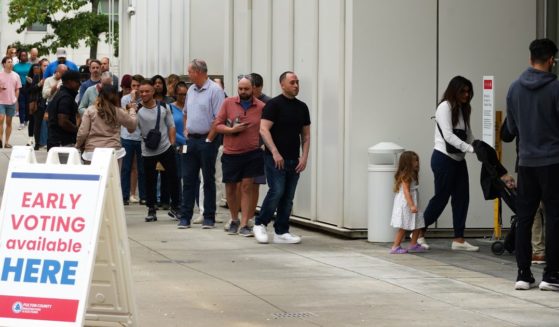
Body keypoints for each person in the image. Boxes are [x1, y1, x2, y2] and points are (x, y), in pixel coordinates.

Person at [506, 38, 559, 291]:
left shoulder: (514, 89)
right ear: (551, 60)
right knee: (554, 217)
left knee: (525, 218)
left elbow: (511, 128)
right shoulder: (556, 88)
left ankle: (523, 274)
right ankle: (551, 275)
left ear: (530, 59)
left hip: (525, 162)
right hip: (553, 161)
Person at [419, 76, 478, 252]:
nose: (467, 95)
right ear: (455, 91)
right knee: (441, 198)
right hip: (443, 159)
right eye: (463, 91)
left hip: (459, 160)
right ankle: (419, 232)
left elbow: (469, 134)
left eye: (469, 92)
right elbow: (448, 136)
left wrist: (479, 147)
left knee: (462, 198)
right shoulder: (444, 107)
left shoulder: (463, 109)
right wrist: (470, 149)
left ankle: (459, 239)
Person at [253, 71, 311, 244]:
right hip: (274, 158)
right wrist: (275, 152)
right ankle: (260, 223)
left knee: (288, 195)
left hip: (294, 159)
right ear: (282, 84)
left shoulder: (302, 107)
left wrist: (304, 157)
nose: (296, 85)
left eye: (297, 82)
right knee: (277, 190)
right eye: (292, 82)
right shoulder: (273, 105)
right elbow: (264, 129)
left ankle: (281, 231)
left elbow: (306, 136)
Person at [215, 75, 265, 236]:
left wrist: (262, 144)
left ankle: (244, 223)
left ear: (254, 89)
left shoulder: (261, 107)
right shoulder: (228, 103)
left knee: (246, 187)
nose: (243, 91)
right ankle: (234, 219)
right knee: (230, 188)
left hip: (252, 153)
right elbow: (217, 125)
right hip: (231, 152)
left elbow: (268, 127)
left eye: (246, 89)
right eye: (240, 88)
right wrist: (232, 130)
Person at [178, 59, 225, 229]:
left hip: (207, 140)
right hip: (191, 140)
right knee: (188, 179)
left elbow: (218, 119)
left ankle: (209, 217)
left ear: (198, 72)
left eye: (190, 71)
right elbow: (185, 113)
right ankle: (185, 217)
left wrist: (209, 139)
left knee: (208, 179)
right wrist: (186, 130)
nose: (188, 75)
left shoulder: (215, 90)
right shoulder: (191, 89)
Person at [136, 80, 180, 222]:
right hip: (147, 150)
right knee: (150, 181)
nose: (144, 94)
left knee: (173, 178)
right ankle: (151, 209)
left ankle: (175, 207)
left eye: (147, 91)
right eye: (141, 91)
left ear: (153, 92)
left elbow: (171, 126)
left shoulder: (164, 107)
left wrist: (172, 144)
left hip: (166, 148)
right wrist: (130, 109)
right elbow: (130, 127)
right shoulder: (137, 109)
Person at [76, 84, 137, 165]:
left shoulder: (90, 110)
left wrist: (77, 145)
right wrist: (132, 110)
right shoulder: (118, 111)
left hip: (92, 152)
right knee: (113, 177)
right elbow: (132, 124)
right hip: (113, 151)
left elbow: (83, 132)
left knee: (93, 177)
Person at [389, 151, 425, 254]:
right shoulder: (406, 175)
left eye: (417, 160)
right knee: (404, 225)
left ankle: (413, 244)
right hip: (406, 203)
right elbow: (406, 192)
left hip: (413, 200)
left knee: (418, 223)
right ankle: (395, 246)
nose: (417, 163)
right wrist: (412, 205)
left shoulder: (413, 173)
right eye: (414, 161)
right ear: (407, 163)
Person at [121, 74, 146, 205]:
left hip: (141, 137)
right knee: (126, 167)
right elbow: (125, 116)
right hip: (127, 136)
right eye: (133, 86)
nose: (135, 89)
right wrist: (131, 101)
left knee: (142, 168)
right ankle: (124, 195)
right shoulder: (125, 99)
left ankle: (143, 195)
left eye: (138, 86)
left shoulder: (145, 99)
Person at [46, 70, 81, 150]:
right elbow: (63, 121)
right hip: (62, 143)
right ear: (70, 82)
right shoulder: (66, 98)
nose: (79, 84)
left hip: (56, 141)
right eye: (77, 81)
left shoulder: (60, 94)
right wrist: (77, 130)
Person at [0, 56, 22, 148]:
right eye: (9, 62)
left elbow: (17, 89)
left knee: (9, 122)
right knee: (1, 119)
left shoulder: (16, 75)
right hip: (1, 101)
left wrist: (15, 99)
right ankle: (0, 140)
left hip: (11, 102)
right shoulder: (0, 74)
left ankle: (7, 142)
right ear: (4, 64)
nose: (11, 64)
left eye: (11, 62)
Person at [13, 50, 32, 131]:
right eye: (22, 55)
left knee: (28, 104)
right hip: (19, 87)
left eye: (25, 55)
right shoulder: (16, 66)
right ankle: (21, 122)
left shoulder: (30, 65)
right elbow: (13, 77)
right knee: (21, 105)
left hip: (28, 87)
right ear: (19, 57)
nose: (23, 57)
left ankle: (26, 120)